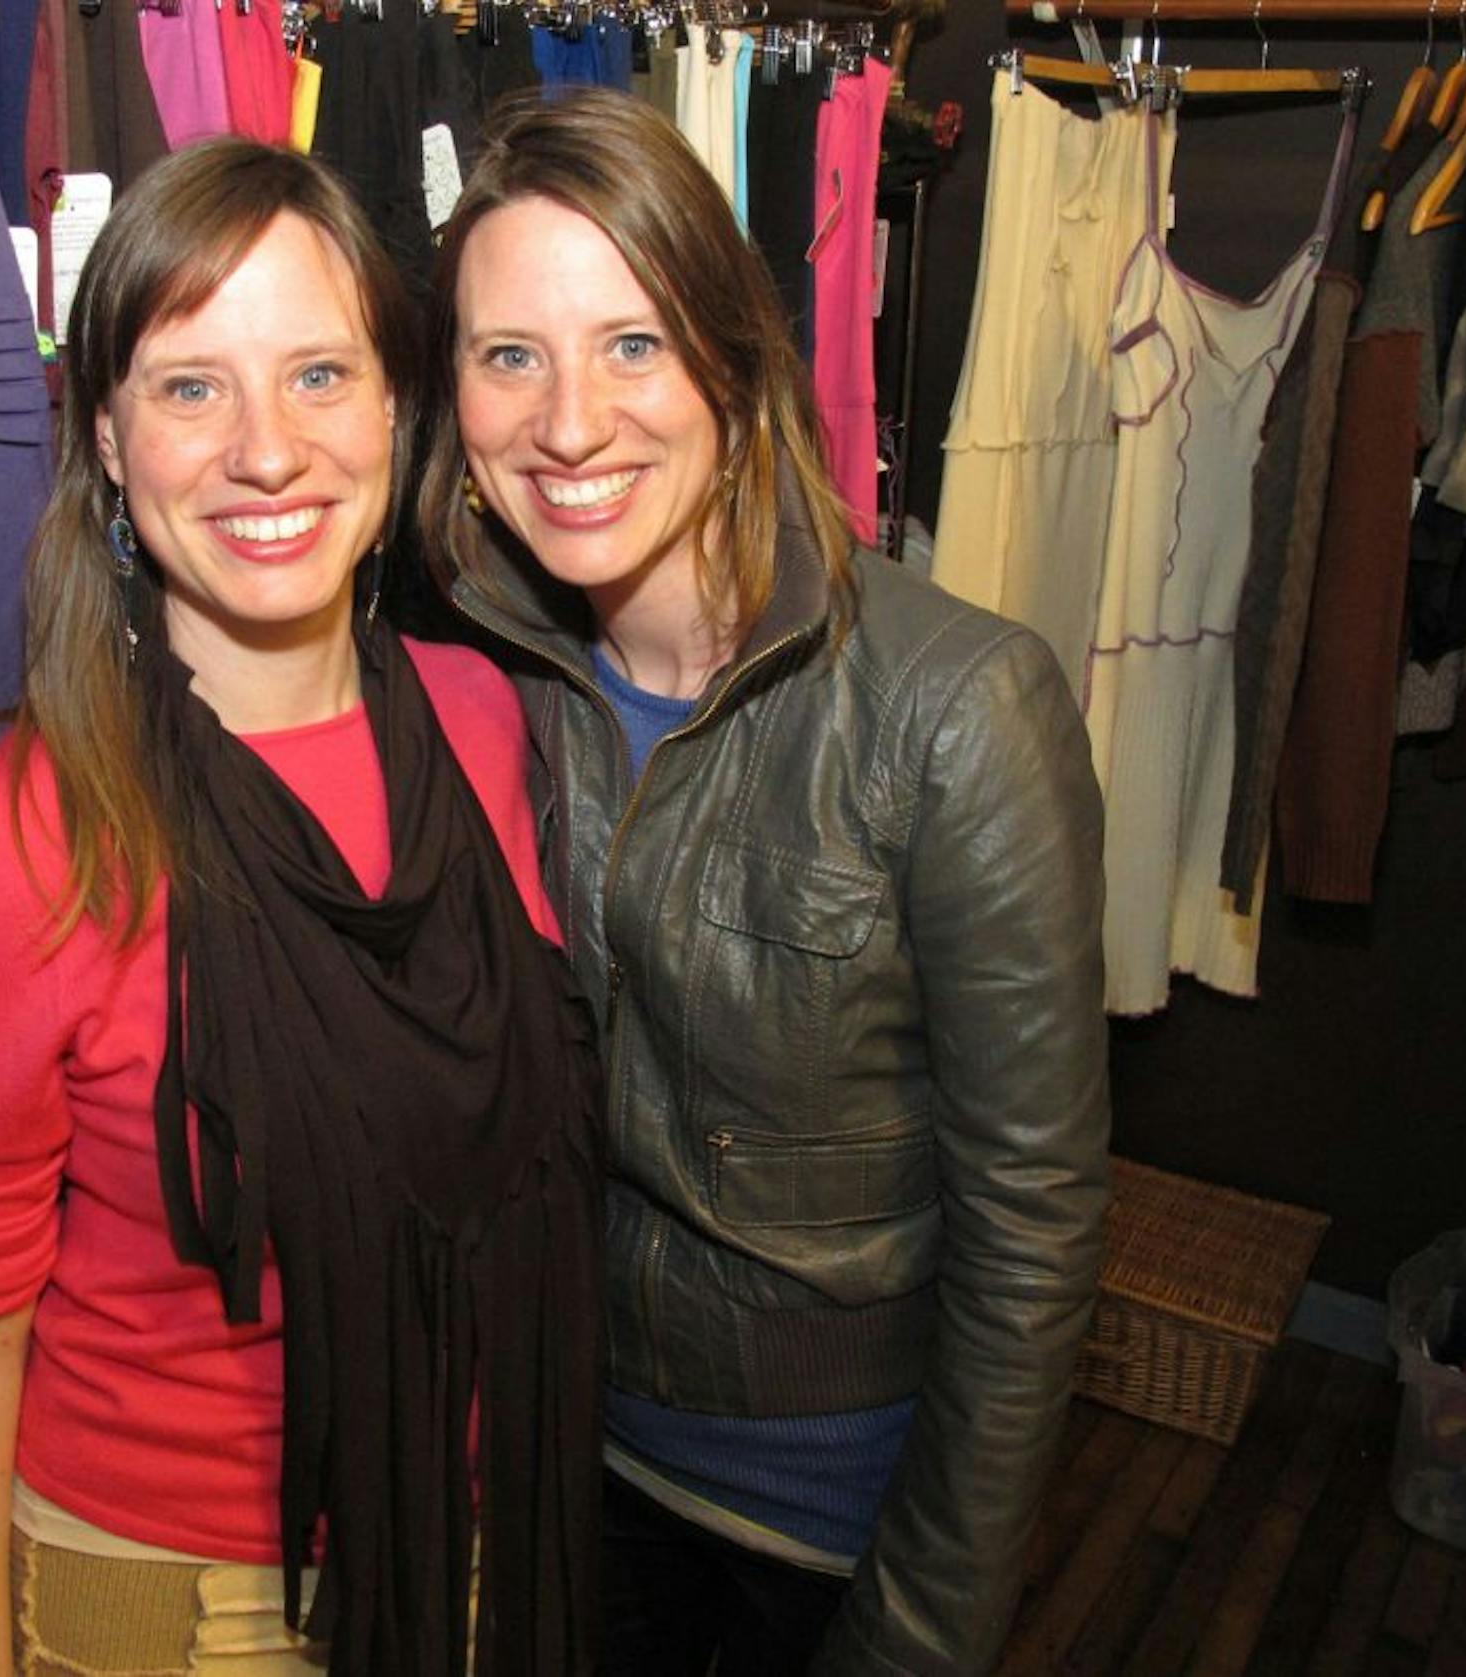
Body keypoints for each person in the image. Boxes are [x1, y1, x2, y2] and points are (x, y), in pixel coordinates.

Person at [0, 139, 604, 1677]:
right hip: (182, 1607)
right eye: (192, 386)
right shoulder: (7, 854)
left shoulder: (484, 721)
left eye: (321, 373)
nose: (267, 450)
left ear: (400, 412)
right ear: (111, 448)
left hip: (488, 1545)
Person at [423, 89, 1111, 1677]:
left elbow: (1033, 1228)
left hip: (827, 1515)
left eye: (634, 343)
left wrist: (925, 1629)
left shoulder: (954, 707)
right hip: (568, 1459)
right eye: (508, 353)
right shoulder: (485, 677)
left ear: (735, 359)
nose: (569, 423)